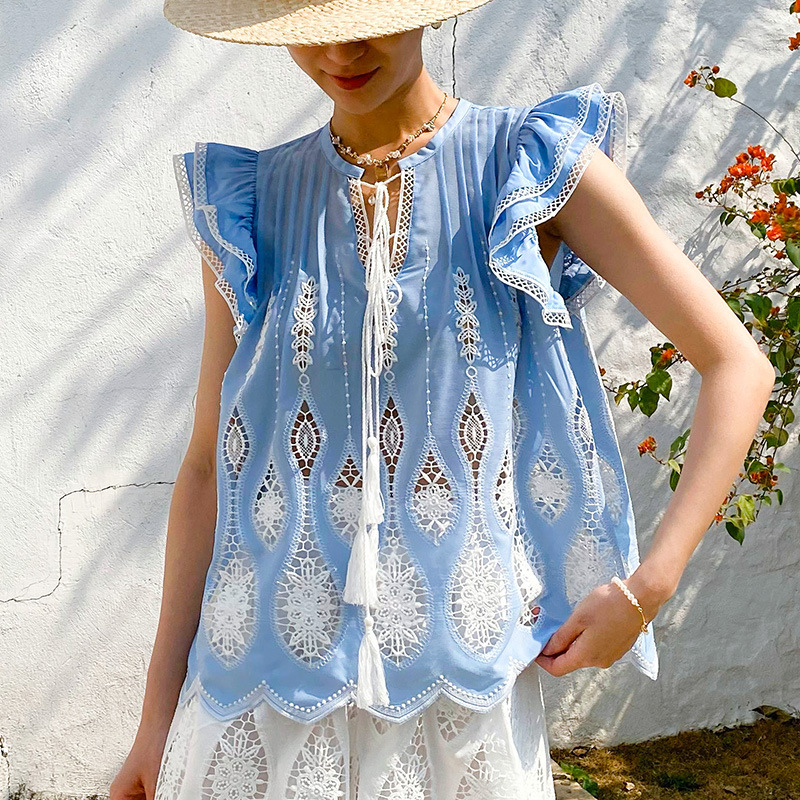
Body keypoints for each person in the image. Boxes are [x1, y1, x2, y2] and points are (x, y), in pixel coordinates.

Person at [110, 1, 775, 798]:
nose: (343, 52)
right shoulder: (248, 204)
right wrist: (155, 722)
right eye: (315, 28)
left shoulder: (528, 167)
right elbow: (205, 469)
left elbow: (737, 364)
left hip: (461, 694)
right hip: (257, 689)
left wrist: (649, 587)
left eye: (370, 15)